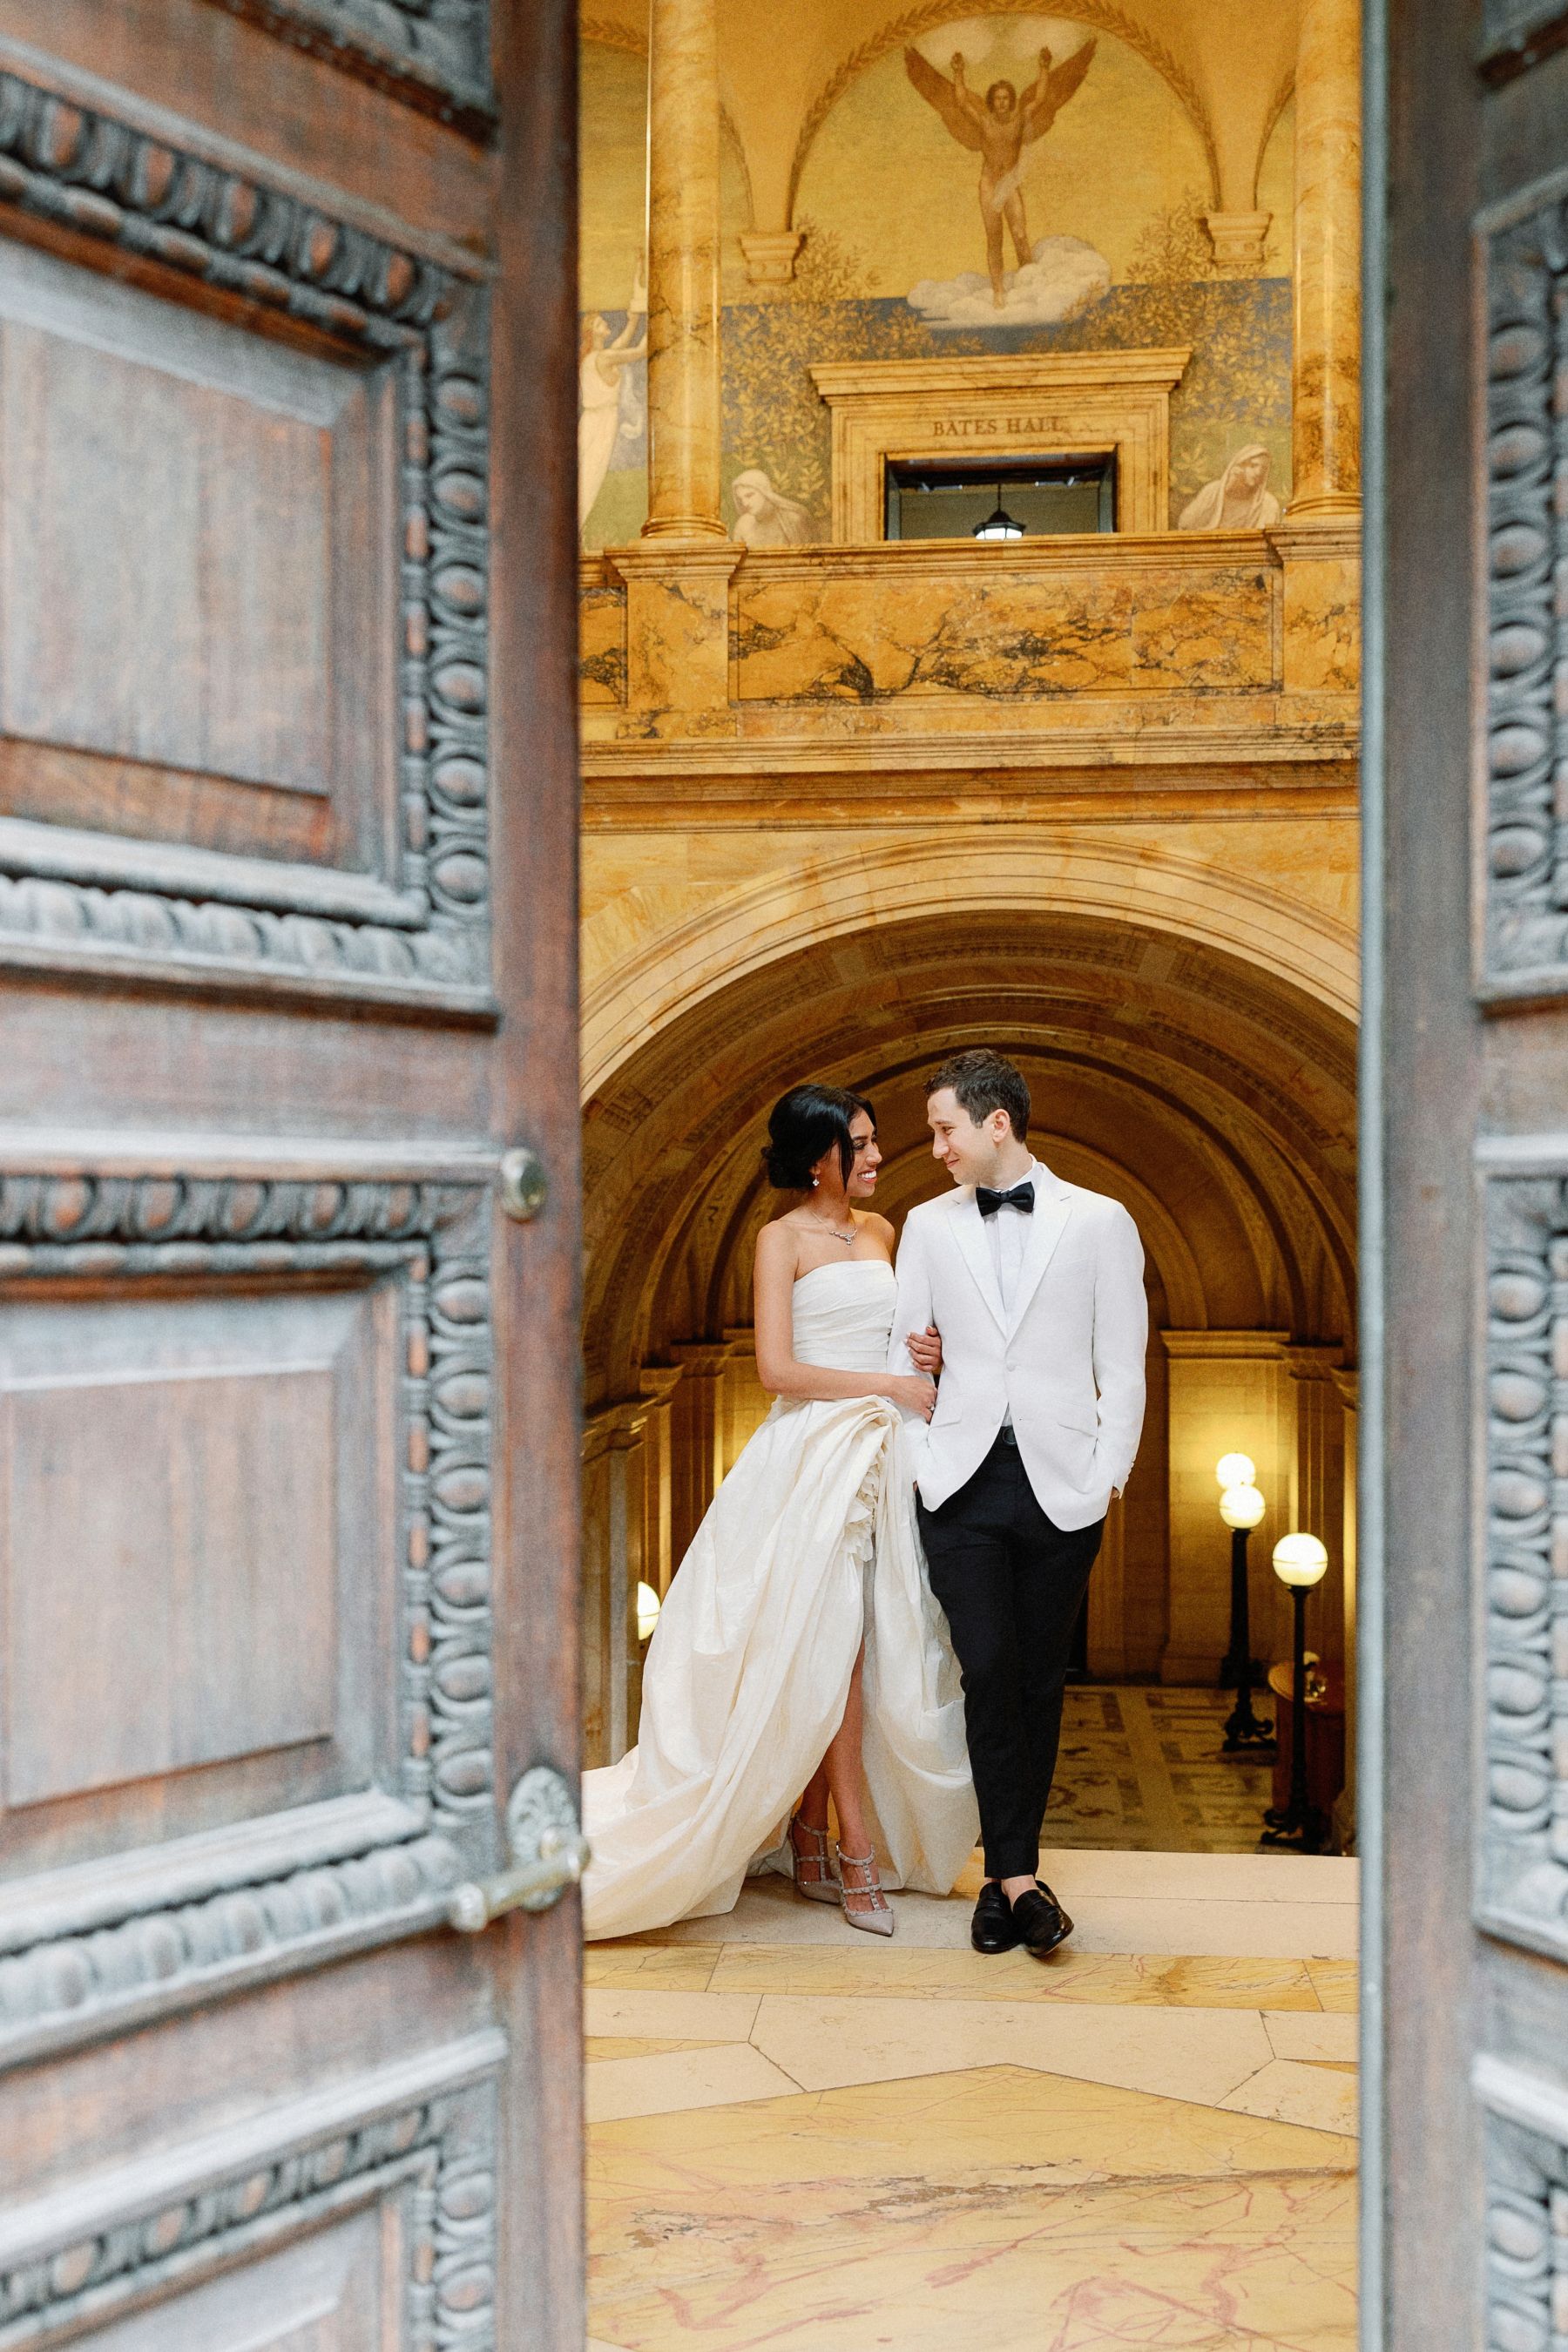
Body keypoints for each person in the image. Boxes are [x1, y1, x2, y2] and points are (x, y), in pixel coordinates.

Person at [581, 1084, 977, 1942]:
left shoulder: (882, 1232)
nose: (876, 1158)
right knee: (831, 1648)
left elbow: (901, 1336)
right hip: (807, 1459)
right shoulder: (778, 1239)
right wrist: (889, 1382)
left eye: (874, 1143)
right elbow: (777, 1371)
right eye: (860, 1146)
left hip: (880, 1454)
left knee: (864, 1643)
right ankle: (854, 1850)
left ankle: (808, 1834)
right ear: (816, 1158)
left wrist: (924, 1353)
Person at [889, 1049, 1147, 1957]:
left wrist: (1105, 1472)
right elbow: (900, 1358)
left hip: (1060, 1486)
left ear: (997, 1123)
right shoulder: (924, 1225)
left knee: (1039, 1681)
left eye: (944, 1129)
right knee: (988, 1669)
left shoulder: (1102, 1221)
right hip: (958, 1483)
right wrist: (922, 1462)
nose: (936, 1148)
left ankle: (1011, 1880)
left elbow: (1123, 1361)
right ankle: (1019, 1878)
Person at [904, 42, 1097, 306]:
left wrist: (1044, 68)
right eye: (998, 98)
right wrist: (958, 72)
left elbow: (1040, 99)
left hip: (1010, 184)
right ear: (992, 101)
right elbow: (960, 103)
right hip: (989, 185)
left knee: (1019, 234)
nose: (1002, 103)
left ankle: (1031, 283)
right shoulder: (984, 121)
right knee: (995, 238)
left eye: (1006, 98)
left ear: (1012, 100)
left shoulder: (1021, 118)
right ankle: (998, 291)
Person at [578, 273, 646, 537]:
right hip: (598, 423)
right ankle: (576, 531)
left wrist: (635, 319)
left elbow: (624, 342)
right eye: (599, 323)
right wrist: (660, 318)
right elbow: (639, 352)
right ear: (592, 332)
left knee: (588, 476)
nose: (604, 323)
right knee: (589, 479)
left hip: (598, 420)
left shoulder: (600, 356)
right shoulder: (603, 358)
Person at [1177, 443, 1283, 531]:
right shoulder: (1213, 491)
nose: (1258, 473)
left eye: (1263, 469)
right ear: (1239, 466)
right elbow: (1186, 524)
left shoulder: (1268, 503)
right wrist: (1228, 489)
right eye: (1253, 466)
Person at [731, 468, 815, 547]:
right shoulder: (743, 524)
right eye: (741, 499)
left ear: (764, 492)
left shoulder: (792, 519)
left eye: (749, 495)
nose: (745, 503)